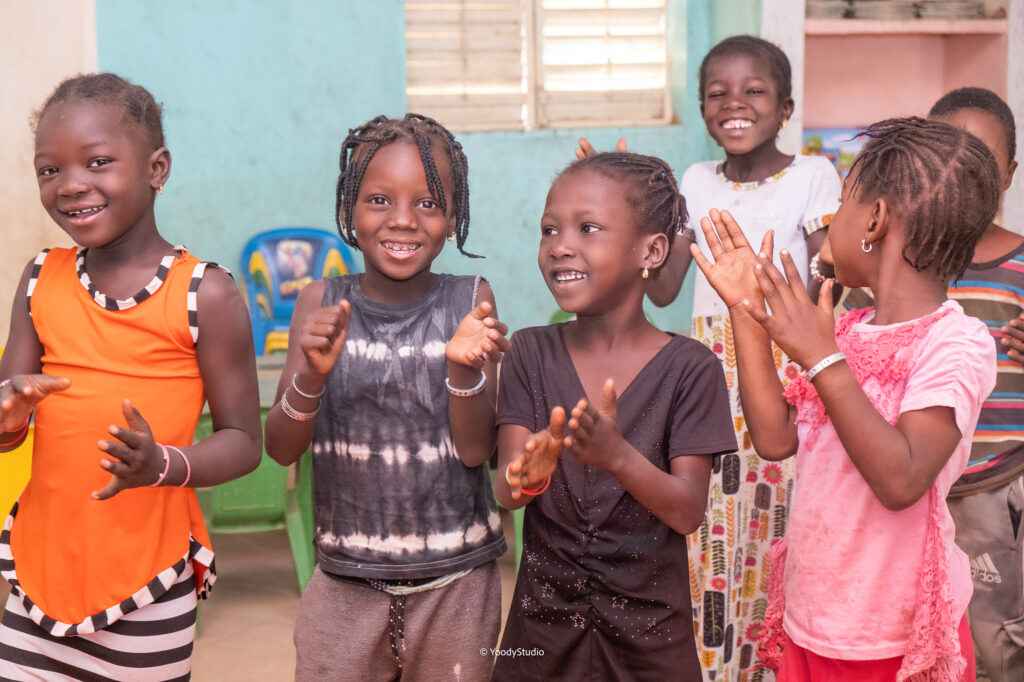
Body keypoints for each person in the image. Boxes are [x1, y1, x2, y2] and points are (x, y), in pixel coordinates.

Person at [692, 116, 1002, 681]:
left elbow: (902, 479)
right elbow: (776, 436)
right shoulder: (846, 327)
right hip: (812, 621)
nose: (829, 221)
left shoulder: (955, 342)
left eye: (841, 206)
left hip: (893, 638)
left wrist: (822, 356)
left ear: (875, 221)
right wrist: (746, 313)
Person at [577, 35, 842, 680]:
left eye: (754, 91)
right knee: (712, 532)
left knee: (782, 523)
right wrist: (632, 197)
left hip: (785, 367)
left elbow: (829, 276)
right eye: (717, 93)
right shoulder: (695, 181)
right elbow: (665, 287)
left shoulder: (814, 175)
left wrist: (775, 317)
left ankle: (774, 662)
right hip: (708, 376)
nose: (735, 104)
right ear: (701, 108)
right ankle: (714, 665)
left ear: (785, 107)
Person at [0, 73, 262, 679]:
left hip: (145, 581)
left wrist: (162, 465)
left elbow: (245, 443)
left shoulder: (205, 293)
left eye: (97, 162)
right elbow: (9, 417)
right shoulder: (41, 278)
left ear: (157, 168)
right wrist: (8, 418)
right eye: (49, 170)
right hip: (41, 570)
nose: (71, 186)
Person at [263, 113, 509, 681]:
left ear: (454, 217)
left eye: (427, 203)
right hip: (344, 583)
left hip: (457, 585)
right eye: (379, 199)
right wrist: (313, 377)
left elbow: (476, 451)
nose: (403, 220)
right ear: (350, 209)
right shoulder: (319, 303)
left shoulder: (470, 300)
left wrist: (462, 370)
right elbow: (280, 447)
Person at [491, 151, 737, 681]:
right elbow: (506, 492)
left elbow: (687, 511)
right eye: (549, 229)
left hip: (651, 644)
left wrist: (617, 456)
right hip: (537, 640)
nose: (561, 245)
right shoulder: (529, 353)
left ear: (651, 250)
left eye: (588, 228)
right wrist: (525, 478)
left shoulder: (691, 368)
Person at [927, 87, 1024, 682]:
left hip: (997, 487)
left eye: (983, 161)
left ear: (1010, 174)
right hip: (916, 492)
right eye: (946, 155)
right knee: (934, 637)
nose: (963, 173)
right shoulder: (899, 265)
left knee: (997, 638)